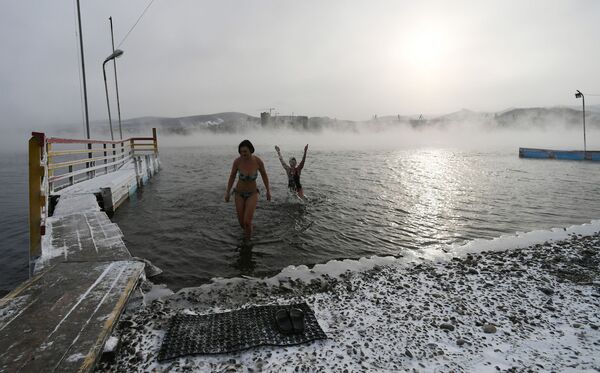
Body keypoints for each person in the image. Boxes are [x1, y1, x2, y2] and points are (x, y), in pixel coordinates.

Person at [225, 140, 271, 240]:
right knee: (242, 223)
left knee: (247, 221)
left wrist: (268, 190)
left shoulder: (258, 161)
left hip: (252, 194)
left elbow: (264, 175)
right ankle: (249, 230)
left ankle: (247, 243)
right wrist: (227, 192)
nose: (243, 154)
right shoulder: (237, 162)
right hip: (239, 194)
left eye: (245, 151)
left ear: (251, 150)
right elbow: (232, 176)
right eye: (241, 152)